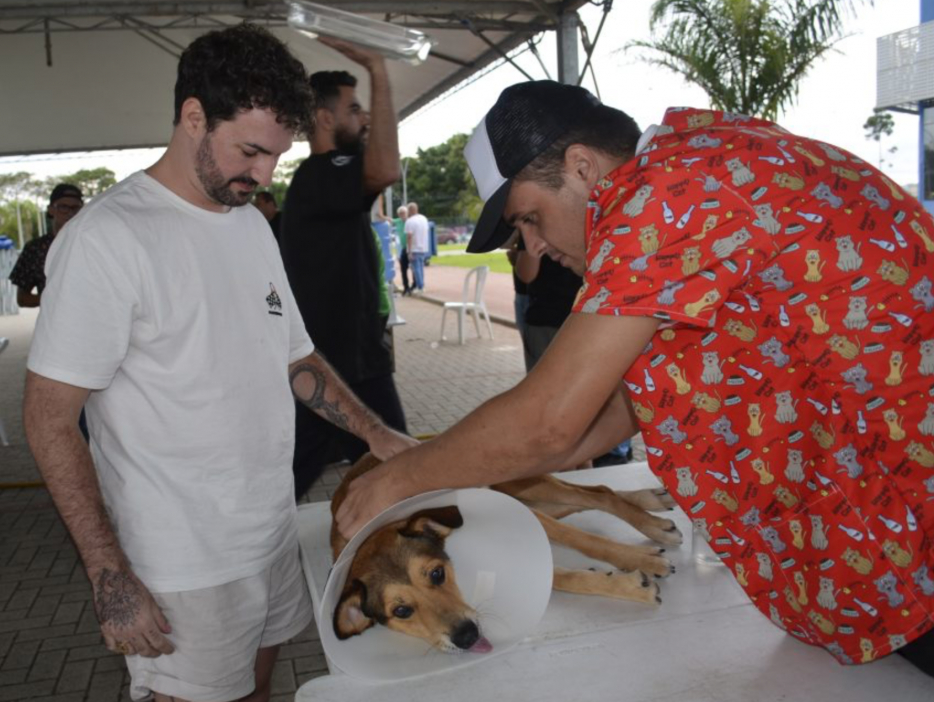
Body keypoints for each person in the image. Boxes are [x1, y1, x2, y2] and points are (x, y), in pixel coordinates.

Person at [335, 81, 934, 673]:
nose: (536, 249)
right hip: (889, 512)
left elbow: (550, 424)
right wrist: (453, 464)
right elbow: (610, 409)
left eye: (531, 220)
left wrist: (395, 482)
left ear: (582, 168)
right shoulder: (701, 159)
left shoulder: (663, 195)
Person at [22, 25, 416, 702]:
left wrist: (376, 434)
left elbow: (294, 353)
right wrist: (109, 574)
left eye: (276, 155)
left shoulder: (248, 222)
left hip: (266, 531)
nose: (264, 175)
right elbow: (48, 417)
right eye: (251, 151)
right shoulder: (109, 238)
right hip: (181, 559)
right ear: (193, 117)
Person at [280, 51, 409, 500]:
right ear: (322, 117)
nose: (365, 117)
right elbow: (385, 168)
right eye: (354, 109)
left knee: (394, 476)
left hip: (345, 361)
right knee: (403, 471)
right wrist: (379, 70)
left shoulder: (324, 182)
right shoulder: (322, 173)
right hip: (340, 367)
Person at [9, 183, 84, 308]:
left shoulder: (93, 245)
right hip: (54, 325)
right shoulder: (35, 249)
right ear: (51, 209)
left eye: (76, 208)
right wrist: (56, 297)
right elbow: (22, 299)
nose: (70, 213)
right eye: (63, 207)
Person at [404, 201, 430, 294]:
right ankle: (422, 285)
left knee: (416, 268)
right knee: (421, 267)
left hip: (414, 248)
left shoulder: (410, 221)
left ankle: (420, 287)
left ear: (409, 210)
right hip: (423, 247)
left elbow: (409, 236)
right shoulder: (424, 218)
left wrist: (409, 251)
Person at [394, 204, 412, 295]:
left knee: (413, 268)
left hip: (412, 248)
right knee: (403, 269)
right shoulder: (398, 221)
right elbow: (388, 219)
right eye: (400, 213)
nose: (402, 215)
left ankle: (414, 285)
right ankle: (406, 287)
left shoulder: (410, 221)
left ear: (407, 213)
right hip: (404, 248)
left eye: (403, 213)